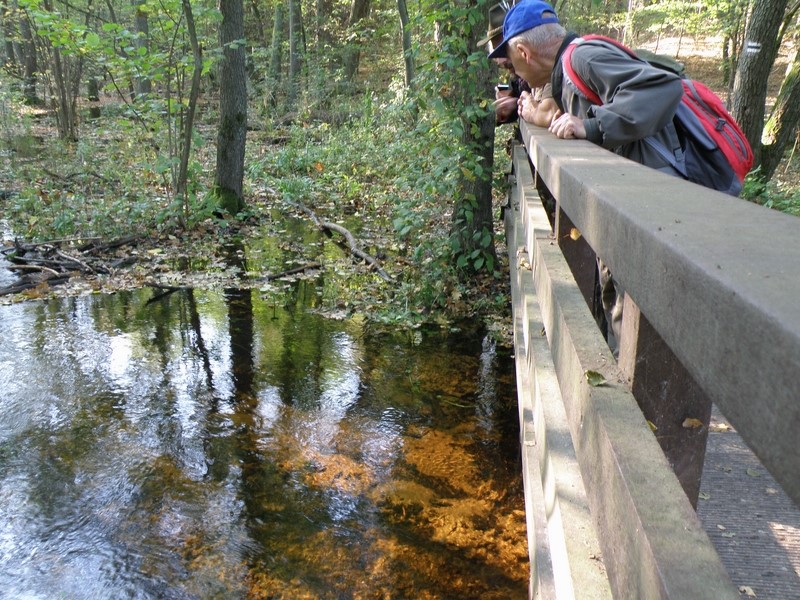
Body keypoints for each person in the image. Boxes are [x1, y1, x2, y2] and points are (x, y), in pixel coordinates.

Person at [488, 0, 686, 352]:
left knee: (640, 323)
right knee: (619, 310)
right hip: (629, 206)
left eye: (512, 62)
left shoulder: (582, 58)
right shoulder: (566, 72)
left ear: (524, 51)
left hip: (655, 209)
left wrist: (593, 125)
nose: (514, 74)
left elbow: (665, 87)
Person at [482, 2, 560, 127]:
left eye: (505, 48)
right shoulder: (532, 75)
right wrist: (516, 102)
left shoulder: (553, 64)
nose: (500, 61)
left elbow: (550, 114)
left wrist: (527, 106)